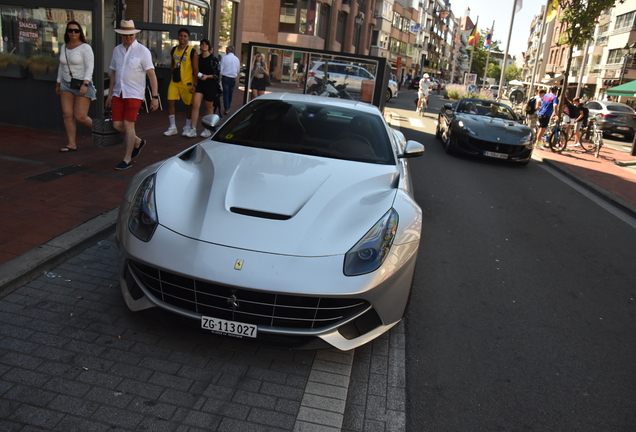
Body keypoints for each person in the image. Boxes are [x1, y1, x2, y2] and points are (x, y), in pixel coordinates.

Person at [106, 20, 159, 170]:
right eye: (125, 34)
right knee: (117, 124)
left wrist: (154, 97)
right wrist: (109, 94)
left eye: (131, 34)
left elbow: (152, 75)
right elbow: (113, 73)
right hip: (118, 92)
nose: (128, 37)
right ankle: (137, 141)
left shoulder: (143, 51)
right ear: (121, 35)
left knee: (129, 125)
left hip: (134, 93)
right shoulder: (117, 50)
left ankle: (127, 158)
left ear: (135, 33)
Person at [56, 21, 95, 152]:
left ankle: (101, 130)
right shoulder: (64, 47)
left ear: (80, 33)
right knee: (67, 114)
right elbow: (61, 66)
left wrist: (85, 83)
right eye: (70, 30)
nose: (73, 33)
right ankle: (71, 143)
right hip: (66, 83)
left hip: (81, 83)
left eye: (76, 30)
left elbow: (90, 66)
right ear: (67, 32)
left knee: (81, 117)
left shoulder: (85, 47)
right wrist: (58, 82)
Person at [164, 28, 199, 137]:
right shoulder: (174, 49)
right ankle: (172, 126)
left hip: (187, 82)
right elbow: (172, 64)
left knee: (188, 106)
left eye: (185, 36)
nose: (182, 38)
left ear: (188, 38)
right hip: (175, 81)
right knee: (170, 102)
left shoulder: (192, 51)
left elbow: (196, 69)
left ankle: (187, 126)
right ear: (178, 37)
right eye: (180, 35)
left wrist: (194, 84)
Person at [189, 39, 220, 138]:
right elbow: (195, 71)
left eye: (206, 44)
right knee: (195, 105)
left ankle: (208, 128)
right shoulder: (198, 58)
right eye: (202, 44)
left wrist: (207, 76)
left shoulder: (213, 59)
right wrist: (194, 84)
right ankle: (193, 128)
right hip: (200, 85)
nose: (204, 46)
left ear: (209, 46)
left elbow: (217, 74)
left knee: (208, 107)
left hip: (210, 85)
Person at [220, 45, 240, 115]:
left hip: (225, 77)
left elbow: (221, 69)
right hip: (233, 78)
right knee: (230, 93)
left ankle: (226, 108)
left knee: (225, 93)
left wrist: (220, 75)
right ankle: (228, 106)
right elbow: (238, 70)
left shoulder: (224, 58)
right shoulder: (237, 59)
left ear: (228, 50)